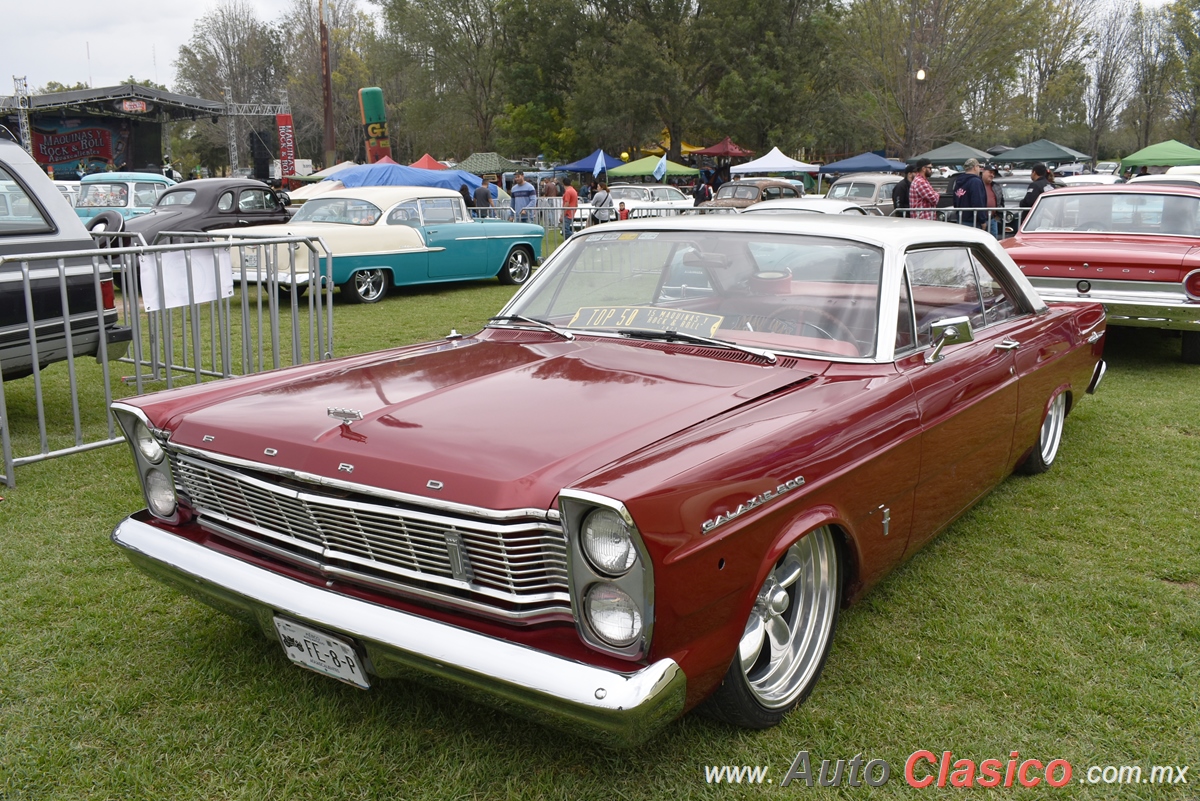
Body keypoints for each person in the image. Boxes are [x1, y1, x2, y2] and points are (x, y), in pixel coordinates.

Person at [951, 157, 987, 228]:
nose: (979, 169)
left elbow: (955, 200)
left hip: (960, 218)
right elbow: (977, 202)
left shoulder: (957, 181)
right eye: (979, 167)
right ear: (975, 167)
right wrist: (982, 220)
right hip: (973, 221)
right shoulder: (975, 181)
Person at [981, 163, 1005, 238]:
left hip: (992, 219)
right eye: (990, 172)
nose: (992, 175)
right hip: (979, 220)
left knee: (994, 241)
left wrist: (998, 215)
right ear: (983, 171)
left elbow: (1001, 201)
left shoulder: (996, 186)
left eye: (993, 173)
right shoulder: (977, 184)